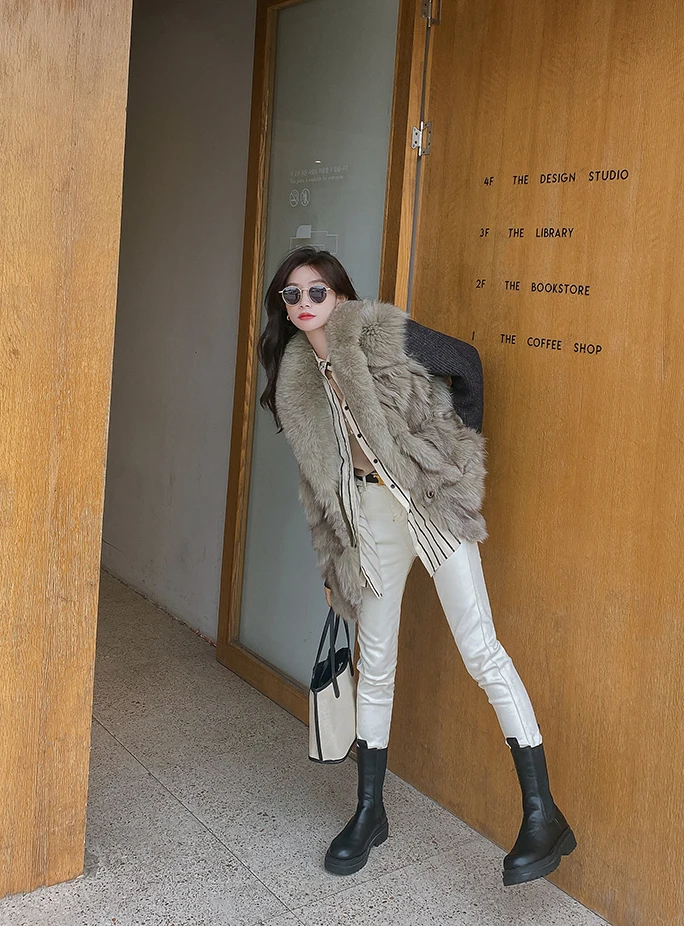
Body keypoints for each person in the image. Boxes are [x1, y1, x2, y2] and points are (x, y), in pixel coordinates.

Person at [258, 246, 576, 885]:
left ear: (340, 296)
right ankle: (369, 811)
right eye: (292, 295)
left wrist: (457, 460)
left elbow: (466, 364)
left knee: (481, 650)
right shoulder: (296, 379)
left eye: (317, 291)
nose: (305, 303)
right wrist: (333, 564)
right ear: (283, 309)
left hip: (427, 500)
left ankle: (543, 815)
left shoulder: (376, 332)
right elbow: (318, 483)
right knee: (374, 662)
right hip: (369, 514)